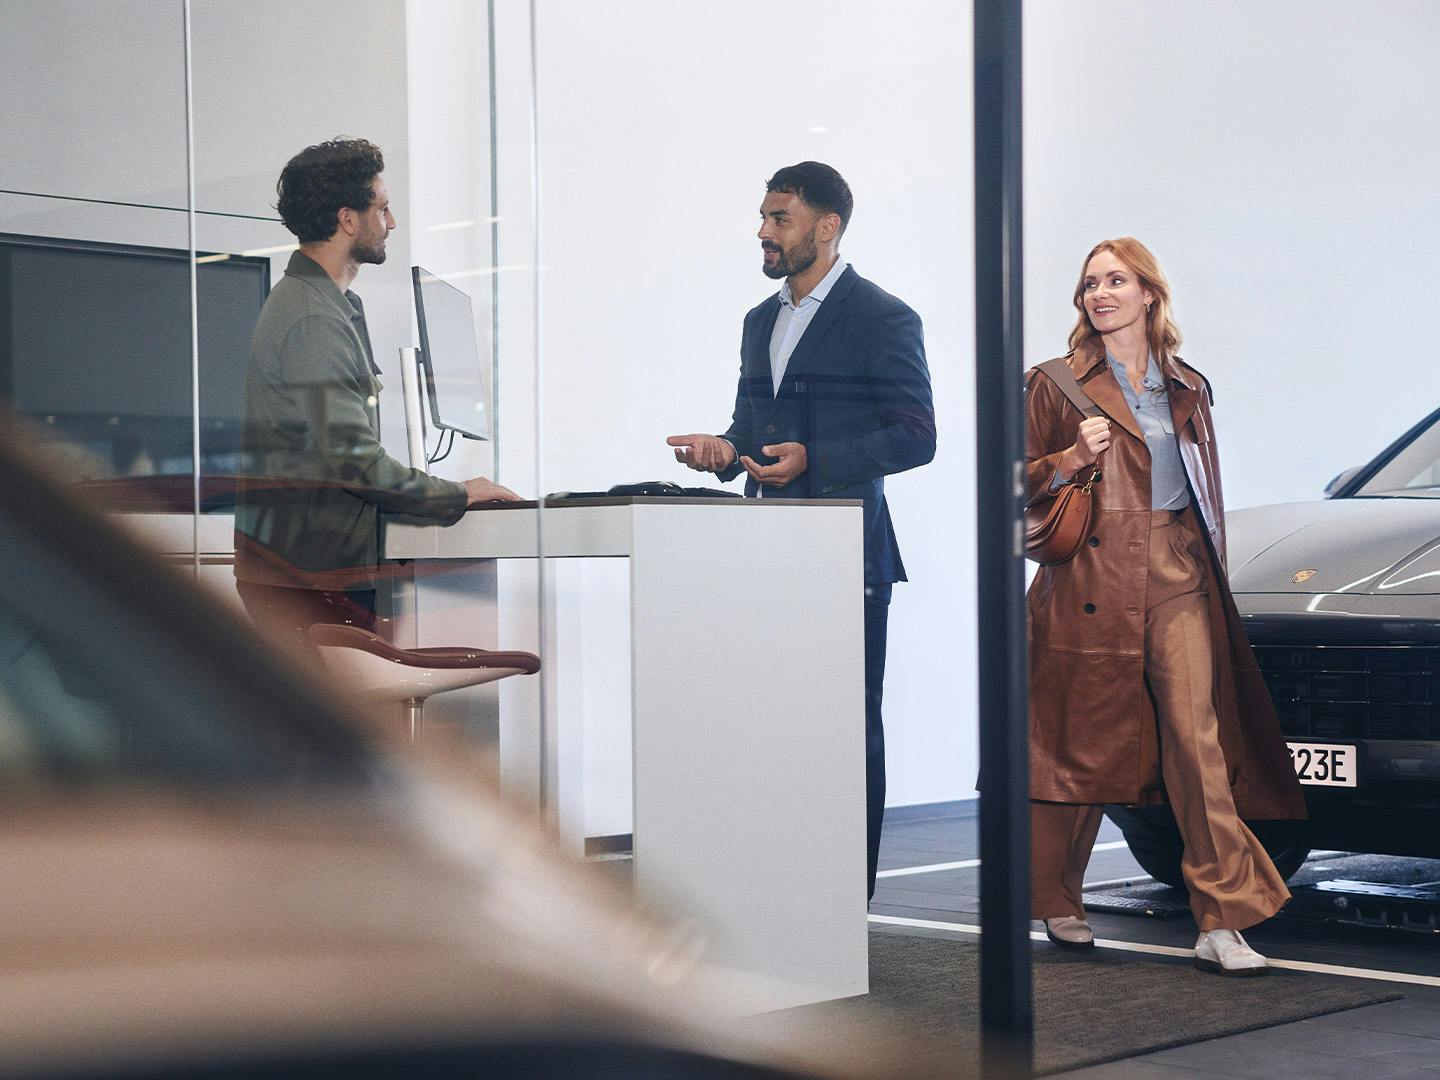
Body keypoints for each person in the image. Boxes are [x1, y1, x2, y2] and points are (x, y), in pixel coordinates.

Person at [1024, 237, 1305, 974]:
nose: (1100, 293)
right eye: (1090, 283)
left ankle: (1221, 919)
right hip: (1087, 580)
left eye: (1116, 280)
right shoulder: (1054, 382)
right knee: (1078, 744)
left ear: (1149, 292)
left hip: (1175, 569)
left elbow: (1204, 489)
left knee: (1196, 740)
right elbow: (1007, 477)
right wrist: (1067, 460)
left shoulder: (1188, 384)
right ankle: (1057, 898)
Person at [666, 162, 936, 902]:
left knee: (848, 728)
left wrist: (818, 458)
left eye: (778, 218)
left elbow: (917, 437)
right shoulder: (760, 321)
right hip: (768, 554)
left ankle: (847, 903)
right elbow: (750, 432)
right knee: (773, 726)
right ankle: (784, 894)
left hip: (848, 556)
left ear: (827, 227)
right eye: (763, 216)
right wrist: (723, 452)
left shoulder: (884, 317)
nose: (763, 230)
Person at [234, 137, 518, 652]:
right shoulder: (314, 319)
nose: (392, 221)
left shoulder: (333, 305)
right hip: (308, 583)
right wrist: (456, 494)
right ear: (348, 219)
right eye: (382, 208)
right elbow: (355, 463)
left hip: (314, 574)